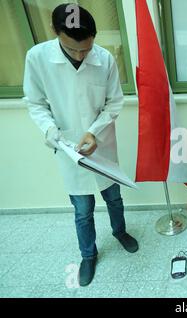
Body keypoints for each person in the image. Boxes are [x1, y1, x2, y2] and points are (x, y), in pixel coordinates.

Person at [23, 3, 138, 287]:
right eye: (73, 49)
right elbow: (35, 103)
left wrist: (94, 131)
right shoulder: (37, 58)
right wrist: (50, 129)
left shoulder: (104, 58)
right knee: (82, 208)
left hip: (102, 144)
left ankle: (119, 231)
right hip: (67, 147)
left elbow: (115, 102)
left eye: (86, 49)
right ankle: (88, 254)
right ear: (55, 32)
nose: (80, 55)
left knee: (113, 196)